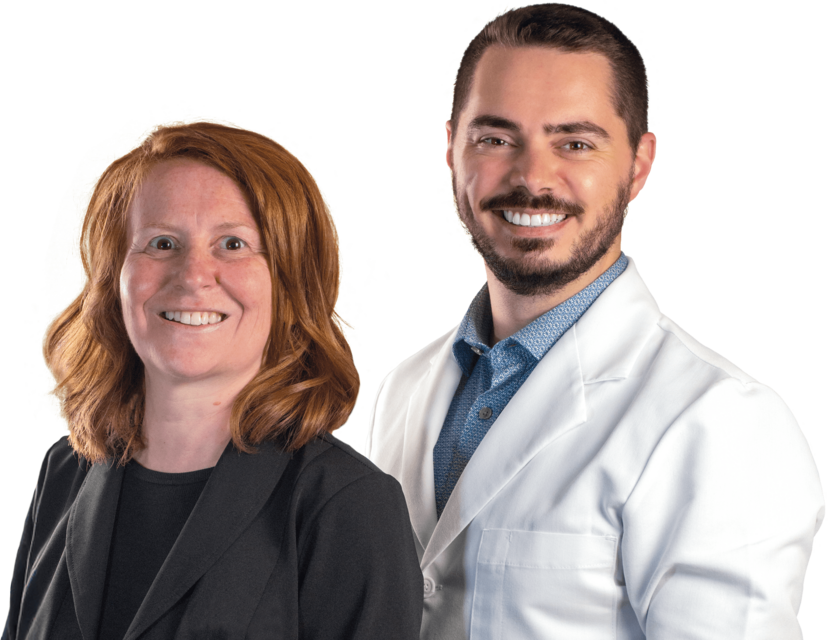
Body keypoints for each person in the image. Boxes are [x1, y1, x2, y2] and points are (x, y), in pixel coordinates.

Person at [364, 4, 824, 639]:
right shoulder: (402, 390)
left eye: (574, 143)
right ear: (451, 150)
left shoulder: (719, 421)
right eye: (495, 139)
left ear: (639, 164)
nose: (532, 178)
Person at [3, 120, 423, 639]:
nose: (192, 275)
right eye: (161, 243)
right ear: (116, 278)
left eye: (232, 243)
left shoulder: (347, 503)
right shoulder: (64, 473)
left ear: (290, 281)